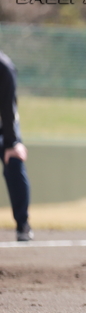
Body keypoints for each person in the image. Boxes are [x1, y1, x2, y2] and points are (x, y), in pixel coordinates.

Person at [0, 51, 33, 242]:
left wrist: (12, 143)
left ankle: (23, 224)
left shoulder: (4, 67)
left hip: (5, 127)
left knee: (14, 161)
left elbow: (8, 107)